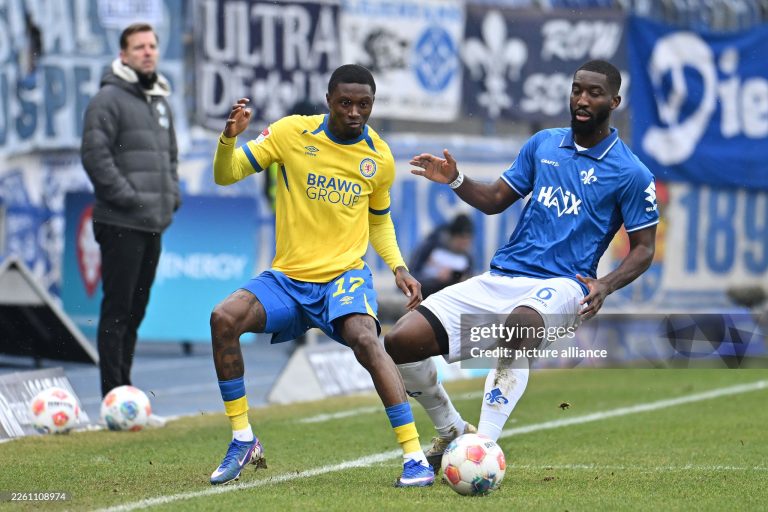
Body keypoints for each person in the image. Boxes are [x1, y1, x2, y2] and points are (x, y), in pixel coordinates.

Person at [384, 60, 659, 469]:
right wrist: (458, 181)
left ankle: (482, 451)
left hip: (567, 285)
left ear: (614, 101)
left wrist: (605, 284)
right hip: (503, 276)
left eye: (594, 93)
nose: (582, 100)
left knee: (520, 325)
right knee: (401, 341)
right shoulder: (543, 144)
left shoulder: (631, 173)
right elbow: (496, 200)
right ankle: (453, 432)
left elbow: (644, 249)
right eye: (577, 90)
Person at [208, 64, 434, 487]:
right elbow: (227, 174)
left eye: (363, 104)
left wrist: (399, 267)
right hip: (288, 280)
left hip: (343, 278)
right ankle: (243, 439)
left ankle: (414, 457)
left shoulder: (378, 158)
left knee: (367, 341)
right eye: (345, 102)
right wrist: (229, 139)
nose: (354, 112)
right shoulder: (292, 133)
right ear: (329, 99)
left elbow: (379, 220)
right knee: (224, 318)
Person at [81, 23, 180, 416]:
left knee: (135, 312)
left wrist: (171, 196)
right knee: (117, 310)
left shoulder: (159, 100)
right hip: (121, 222)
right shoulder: (107, 99)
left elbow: (170, 157)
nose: (147, 52)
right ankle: (113, 398)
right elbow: (95, 157)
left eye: (152, 46)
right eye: (138, 47)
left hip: (151, 222)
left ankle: (125, 391)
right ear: (123, 55)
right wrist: (132, 200)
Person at [410, 213, 475, 298]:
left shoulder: (467, 258)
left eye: (467, 239)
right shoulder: (432, 246)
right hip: (424, 293)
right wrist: (437, 279)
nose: (464, 244)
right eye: (461, 238)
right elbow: (411, 275)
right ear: (453, 236)